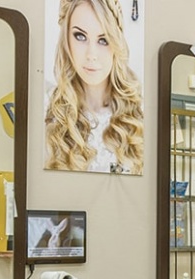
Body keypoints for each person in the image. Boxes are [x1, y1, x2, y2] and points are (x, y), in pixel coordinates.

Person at [45, 0, 144, 174]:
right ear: (66, 40)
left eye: (103, 40)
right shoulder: (48, 112)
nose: (91, 55)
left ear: (116, 44)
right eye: (80, 36)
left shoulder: (140, 114)